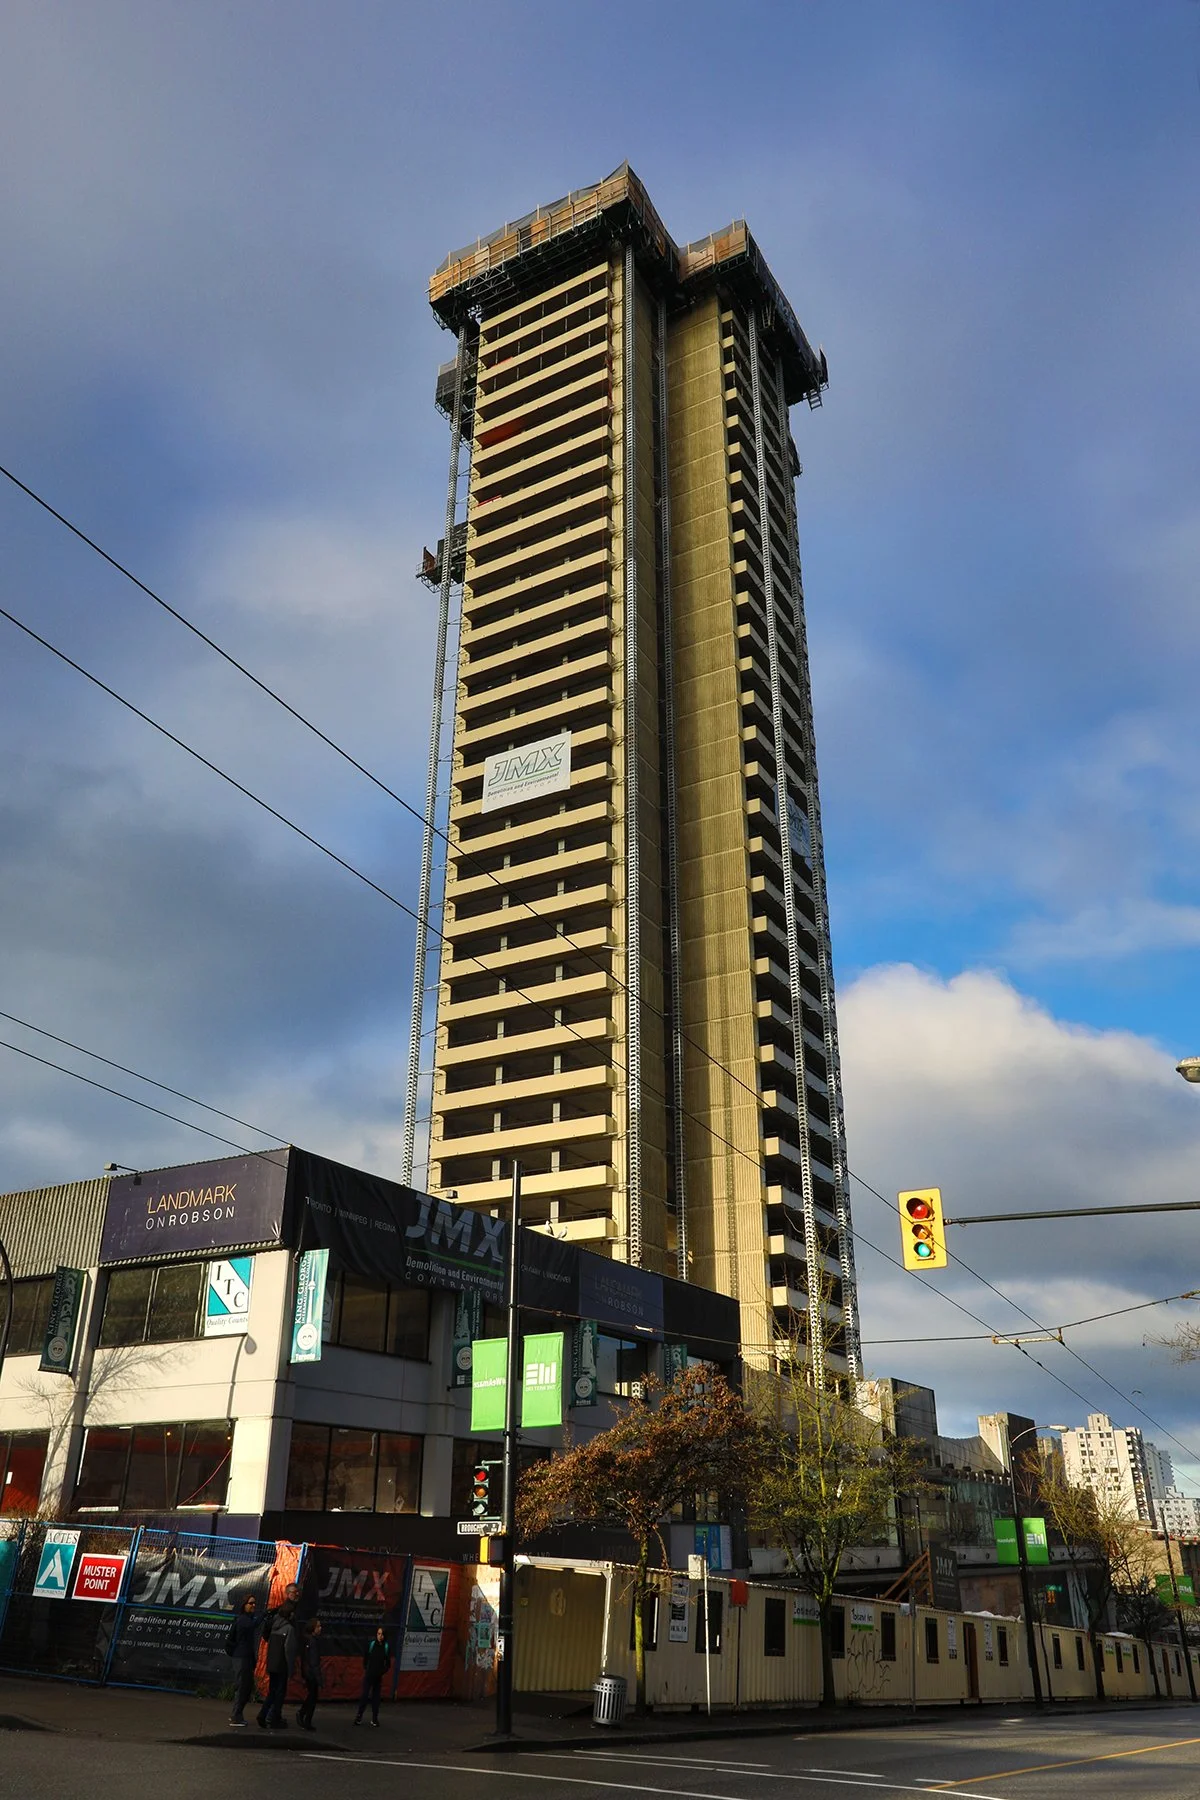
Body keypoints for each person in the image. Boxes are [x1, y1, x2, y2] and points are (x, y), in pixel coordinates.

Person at [256, 1589, 299, 1730]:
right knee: (280, 1692)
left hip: (272, 1663)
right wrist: (291, 1668)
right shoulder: (289, 1629)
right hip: (282, 1665)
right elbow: (289, 1650)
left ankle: (263, 1713)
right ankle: (274, 1717)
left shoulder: (275, 1627)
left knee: (272, 1690)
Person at [225, 1593, 259, 1726]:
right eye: (251, 1603)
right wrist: (263, 1616)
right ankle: (235, 1716)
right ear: (244, 1605)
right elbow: (252, 1625)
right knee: (243, 1686)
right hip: (242, 1657)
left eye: (254, 1603)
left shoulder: (245, 1619)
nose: (253, 1605)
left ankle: (237, 1714)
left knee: (245, 1686)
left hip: (244, 1657)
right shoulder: (243, 1620)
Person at [353, 1625, 392, 1727]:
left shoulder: (386, 1647)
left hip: (378, 1677)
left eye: (382, 1634)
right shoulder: (371, 1645)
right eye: (378, 1634)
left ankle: (375, 1719)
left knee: (376, 1698)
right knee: (364, 1696)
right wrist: (367, 1668)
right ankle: (359, 1716)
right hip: (369, 1675)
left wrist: (381, 1672)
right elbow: (365, 1658)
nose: (380, 1636)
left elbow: (388, 1664)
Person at [296, 1618, 323, 1731]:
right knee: (313, 1697)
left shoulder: (308, 1640)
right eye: (318, 1626)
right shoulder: (312, 1641)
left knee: (311, 1696)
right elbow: (313, 1661)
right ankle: (306, 1719)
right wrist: (319, 1678)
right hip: (311, 1673)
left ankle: (303, 1715)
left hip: (308, 1672)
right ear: (313, 1629)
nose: (320, 1628)